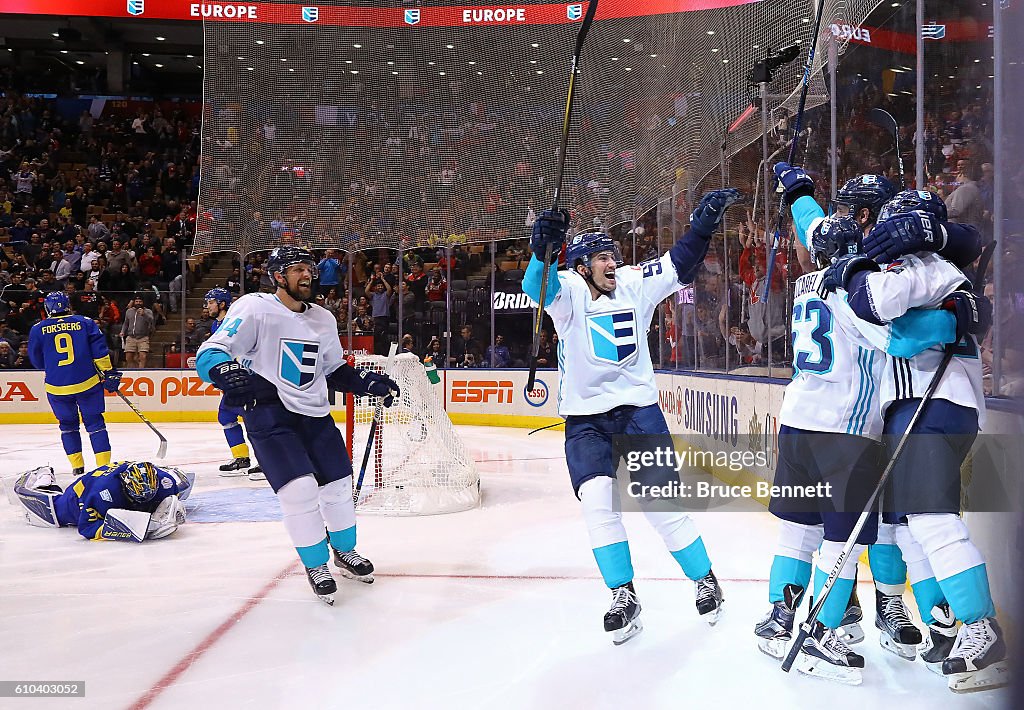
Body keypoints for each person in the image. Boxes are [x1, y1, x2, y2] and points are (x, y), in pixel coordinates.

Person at [753, 215, 976, 683]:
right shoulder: (851, 289)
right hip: (843, 430)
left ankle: (778, 619)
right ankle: (821, 634)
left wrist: (797, 194)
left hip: (796, 421)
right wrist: (958, 317)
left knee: (798, 530)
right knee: (843, 542)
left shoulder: (806, 283)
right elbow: (899, 339)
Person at [522, 190, 737, 644]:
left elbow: (679, 263)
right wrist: (542, 250)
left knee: (662, 506)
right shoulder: (570, 292)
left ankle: (705, 580)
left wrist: (701, 225)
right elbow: (535, 287)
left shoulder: (634, 283)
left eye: (614, 256)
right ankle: (624, 595)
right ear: (582, 267)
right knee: (599, 506)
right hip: (587, 421)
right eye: (602, 258)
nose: (612, 264)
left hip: (638, 411)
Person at [820, 191, 1008, 691]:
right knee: (907, 526)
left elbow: (873, 302)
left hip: (931, 401)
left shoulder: (918, 262)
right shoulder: (940, 267)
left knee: (930, 517)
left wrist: (855, 267)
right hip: (927, 404)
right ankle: (948, 627)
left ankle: (981, 631)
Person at [196, 246, 400, 604]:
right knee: (300, 491)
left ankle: (344, 551)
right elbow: (211, 351)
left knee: (338, 485)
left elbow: (332, 368)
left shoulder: (323, 318)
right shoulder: (256, 307)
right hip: (269, 412)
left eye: (310, 268)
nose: (307, 275)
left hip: (315, 412)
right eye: (297, 269)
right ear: (277, 276)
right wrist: (224, 370)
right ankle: (315, 563)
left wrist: (366, 383)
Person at [28, 292, 121, 475]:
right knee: (95, 424)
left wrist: (53, 368)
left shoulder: (38, 329)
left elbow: (36, 360)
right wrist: (108, 372)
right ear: (68, 305)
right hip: (87, 383)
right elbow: (100, 351)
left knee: (67, 426)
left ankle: (77, 467)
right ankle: (103, 468)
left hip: (56, 387)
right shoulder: (85, 322)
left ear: (47, 309)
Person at [13, 461, 192, 542]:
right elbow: (86, 528)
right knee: (57, 514)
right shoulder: (102, 495)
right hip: (79, 495)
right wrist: (126, 530)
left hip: (118, 473)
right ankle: (42, 476)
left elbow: (174, 491)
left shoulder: (164, 481)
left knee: (179, 487)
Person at [205, 287, 262, 481]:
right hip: (232, 381)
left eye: (211, 302)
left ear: (222, 304)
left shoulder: (236, 322)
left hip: (248, 379)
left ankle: (266, 460)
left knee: (256, 421)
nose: (208, 306)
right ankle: (241, 458)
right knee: (226, 416)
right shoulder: (216, 326)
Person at [120, 295, 154, 368]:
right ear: (134, 302)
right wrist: (123, 331)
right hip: (131, 337)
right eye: (137, 301)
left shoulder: (148, 311)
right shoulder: (129, 311)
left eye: (140, 301)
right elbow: (126, 323)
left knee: (143, 356)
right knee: (128, 357)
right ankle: (134, 370)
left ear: (143, 302)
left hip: (143, 337)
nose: (138, 303)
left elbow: (151, 320)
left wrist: (144, 314)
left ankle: (141, 371)